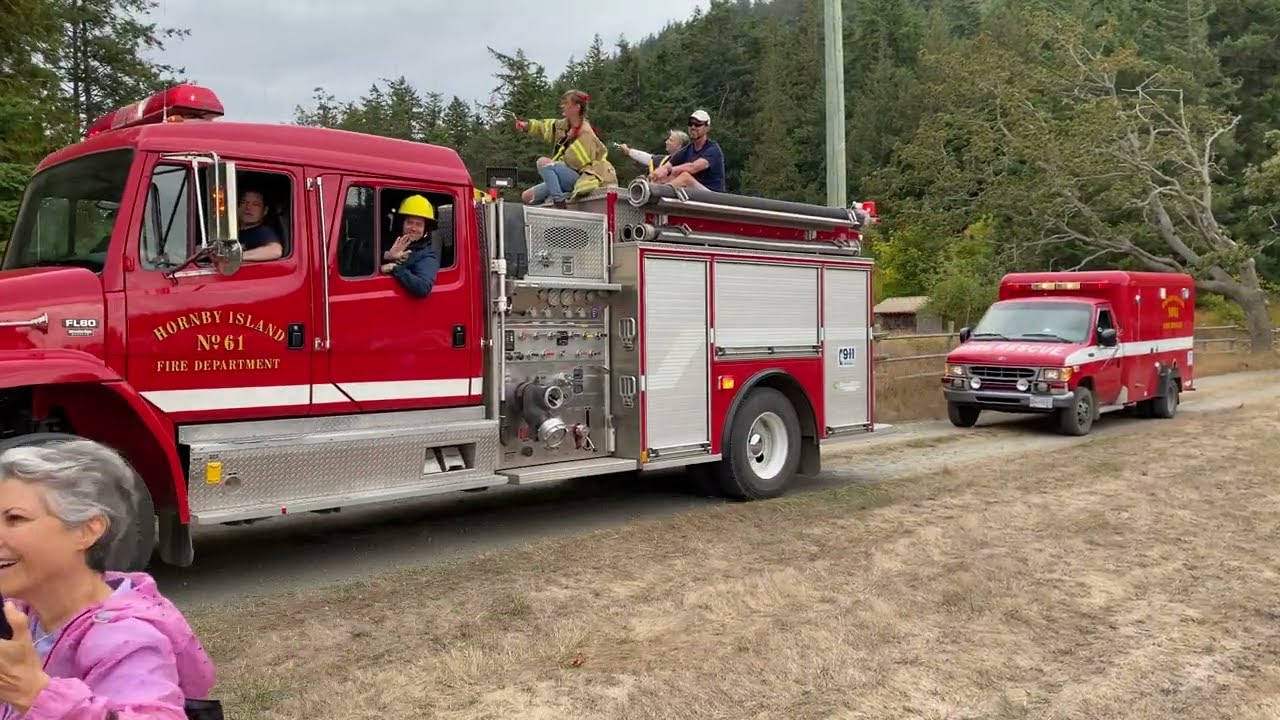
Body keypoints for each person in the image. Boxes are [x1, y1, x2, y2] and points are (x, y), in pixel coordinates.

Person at [0, 440, 216, 720]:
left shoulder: (126, 638)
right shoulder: (24, 613)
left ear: (87, 531)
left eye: (15, 519)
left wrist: (35, 694)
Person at [515, 90, 618, 207]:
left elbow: (575, 163)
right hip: (563, 174)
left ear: (577, 107)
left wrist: (556, 160)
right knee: (527, 197)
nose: (562, 106)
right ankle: (559, 195)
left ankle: (559, 201)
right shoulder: (564, 125)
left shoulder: (587, 134)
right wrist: (526, 126)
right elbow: (546, 126)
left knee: (543, 162)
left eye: (566, 103)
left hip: (579, 177)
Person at [650, 109, 725, 192]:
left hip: (713, 196)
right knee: (664, 178)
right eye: (690, 123)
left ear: (707, 128)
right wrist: (656, 174)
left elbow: (693, 167)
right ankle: (645, 193)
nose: (693, 127)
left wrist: (667, 171)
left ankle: (660, 194)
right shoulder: (688, 149)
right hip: (696, 192)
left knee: (685, 177)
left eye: (698, 124)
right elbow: (668, 165)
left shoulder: (713, 149)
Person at [380, 194, 440, 298]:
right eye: (410, 222)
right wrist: (387, 256)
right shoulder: (386, 240)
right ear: (402, 223)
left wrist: (395, 268)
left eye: (419, 224)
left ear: (425, 229)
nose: (413, 228)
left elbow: (423, 287)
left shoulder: (427, 255)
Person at [235, 189, 284, 261]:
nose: (248, 207)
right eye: (244, 202)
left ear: (265, 211)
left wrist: (235, 257)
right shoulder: (233, 232)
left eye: (255, 204)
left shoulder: (263, 232)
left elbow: (275, 251)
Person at [617, 130, 689, 176]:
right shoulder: (664, 160)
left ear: (680, 145)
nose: (666, 142)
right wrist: (629, 151)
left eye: (671, 140)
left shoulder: (686, 165)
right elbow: (647, 158)